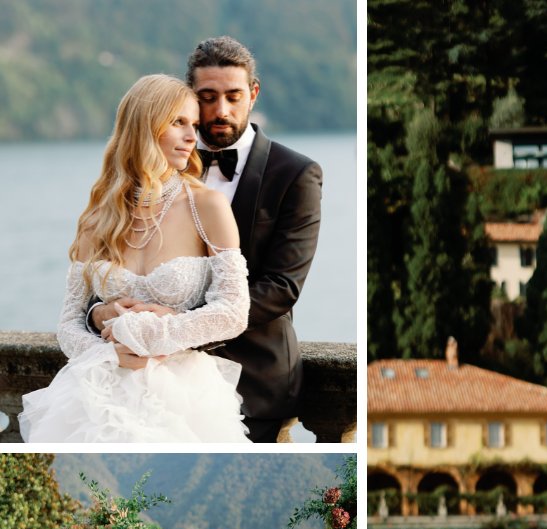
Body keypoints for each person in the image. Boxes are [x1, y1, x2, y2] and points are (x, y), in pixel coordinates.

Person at [90, 36, 322, 442]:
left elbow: (282, 286)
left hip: (253, 378)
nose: (221, 110)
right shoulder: (161, 166)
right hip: (149, 376)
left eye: (233, 96)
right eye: (208, 98)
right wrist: (101, 312)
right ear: (189, 97)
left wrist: (177, 324)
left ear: (253, 93)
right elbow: (114, 268)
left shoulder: (296, 174)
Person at [19, 73, 250, 443]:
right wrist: (109, 352)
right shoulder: (98, 216)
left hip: (183, 397)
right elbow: (68, 323)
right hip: (96, 396)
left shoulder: (208, 205)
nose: (192, 137)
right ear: (144, 126)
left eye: (194, 125)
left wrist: (153, 336)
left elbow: (234, 311)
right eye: (178, 122)